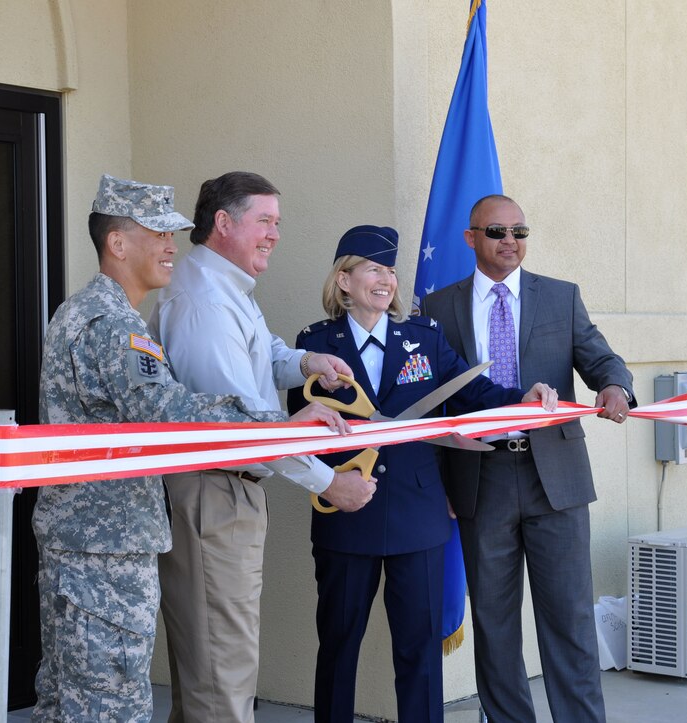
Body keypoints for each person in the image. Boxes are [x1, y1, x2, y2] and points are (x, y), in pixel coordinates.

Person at [33, 174, 350, 722]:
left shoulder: (105, 315)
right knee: (109, 705)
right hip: (102, 551)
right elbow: (175, 411)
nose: (171, 246)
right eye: (158, 233)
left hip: (100, 542)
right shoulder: (112, 326)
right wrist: (284, 425)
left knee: (80, 701)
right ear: (118, 243)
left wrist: (295, 379)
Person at [287, 225, 557, 723]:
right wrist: (338, 481)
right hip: (348, 512)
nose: (386, 280)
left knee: (419, 653)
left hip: (419, 516)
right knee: (339, 648)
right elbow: (302, 433)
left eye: (391, 270)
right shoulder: (314, 346)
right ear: (343, 280)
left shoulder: (423, 338)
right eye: (374, 269)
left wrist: (520, 398)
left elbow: (472, 395)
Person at [147, 171, 376, 723]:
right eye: (265, 221)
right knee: (221, 679)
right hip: (213, 493)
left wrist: (305, 363)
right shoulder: (202, 301)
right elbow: (239, 425)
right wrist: (330, 483)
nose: (275, 233)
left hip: (228, 494)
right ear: (224, 223)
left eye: (278, 222)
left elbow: (259, 350)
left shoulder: (223, 285)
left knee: (214, 669)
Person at [420, 194, 635, 723]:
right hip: (479, 479)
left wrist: (615, 387)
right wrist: (441, 483)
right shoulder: (438, 307)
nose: (510, 242)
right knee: (494, 625)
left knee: (569, 621)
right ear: (471, 238)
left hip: (554, 480)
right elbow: (432, 404)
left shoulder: (560, 298)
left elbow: (600, 357)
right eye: (497, 232)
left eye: (520, 231)